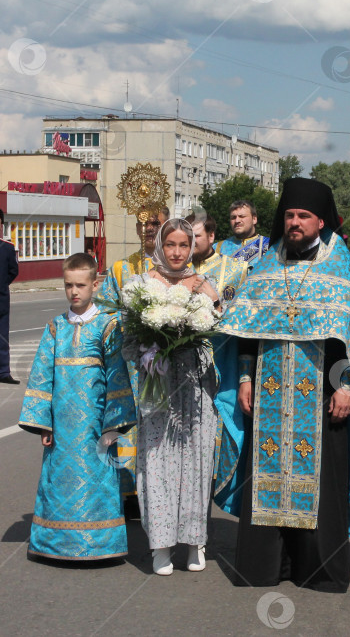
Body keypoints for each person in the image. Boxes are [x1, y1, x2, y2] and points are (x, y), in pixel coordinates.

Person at [215, 178, 350, 592]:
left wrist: (347, 386)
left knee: (323, 482)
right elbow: (246, 332)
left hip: (325, 395)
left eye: (303, 216)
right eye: (289, 215)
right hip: (268, 393)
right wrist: (243, 377)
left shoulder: (342, 268)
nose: (294, 223)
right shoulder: (266, 266)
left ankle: (318, 570)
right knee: (265, 477)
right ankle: (264, 567)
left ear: (320, 221)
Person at [18, 253, 136, 560]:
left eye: (81, 285)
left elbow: (116, 376)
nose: (74, 291)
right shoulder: (56, 327)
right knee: (58, 480)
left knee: (97, 478)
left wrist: (114, 425)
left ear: (95, 284)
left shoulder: (107, 326)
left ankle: (100, 544)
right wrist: (43, 422)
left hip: (95, 426)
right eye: (68, 285)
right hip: (61, 426)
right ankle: (54, 544)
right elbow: (43, 376)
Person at [124, 219, 221, 575]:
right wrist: (151, 352)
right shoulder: (141, 286)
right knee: (158, 460)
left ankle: (196, 541)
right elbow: (127, 342)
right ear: (159, 246)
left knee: (196, 460)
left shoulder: (204, 284)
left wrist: (210, 307)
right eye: (171, 245)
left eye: (184, 245)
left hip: (195, 387)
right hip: (158, 386)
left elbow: (220, 331)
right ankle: (160, 545)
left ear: (193, 246)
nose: (178, 253)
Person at [96, 209, 164, 506]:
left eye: (155, 223)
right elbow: (105, 310)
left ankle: (157, 491)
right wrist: (128, 322)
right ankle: (127, 494)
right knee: (126, 425)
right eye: (143, 222)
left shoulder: (173, 265)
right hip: (128, 363)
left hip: (162, 364)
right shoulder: (120, 268)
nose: (148, 228)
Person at [186, 212, 248, 510]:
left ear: (212, 237)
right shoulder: (175, 269)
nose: (189, 242)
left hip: (221, 368)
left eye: (196, 236)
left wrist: (214, 299)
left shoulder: (236, 270)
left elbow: (242, 321)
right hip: (183, 370)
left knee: (218, 441)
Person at [214, 200, 271, 269]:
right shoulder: (217, 248)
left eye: (242, 216)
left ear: (254, 219)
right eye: (233, 217)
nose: (237, 221)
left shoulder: (270, 246)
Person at [0, 211, 19, 384]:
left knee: (3, 338)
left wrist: (2, 284)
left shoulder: (7, 248)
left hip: (1, 301)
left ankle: (3, 372)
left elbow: (13, 270)